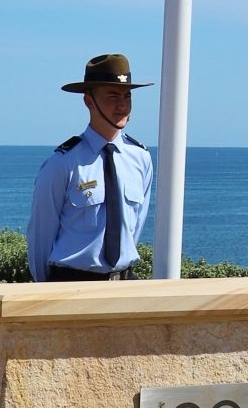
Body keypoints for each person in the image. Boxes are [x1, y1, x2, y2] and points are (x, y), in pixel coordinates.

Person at [27, 53, 155, 282]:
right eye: (113, 96)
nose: (122, 104)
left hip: (125, 285)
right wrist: (44, 291)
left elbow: (134, 229)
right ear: (88, 101)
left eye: (127, 96)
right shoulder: (62, 164)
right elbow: (40, 238)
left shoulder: (141, 158)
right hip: (70, 285)